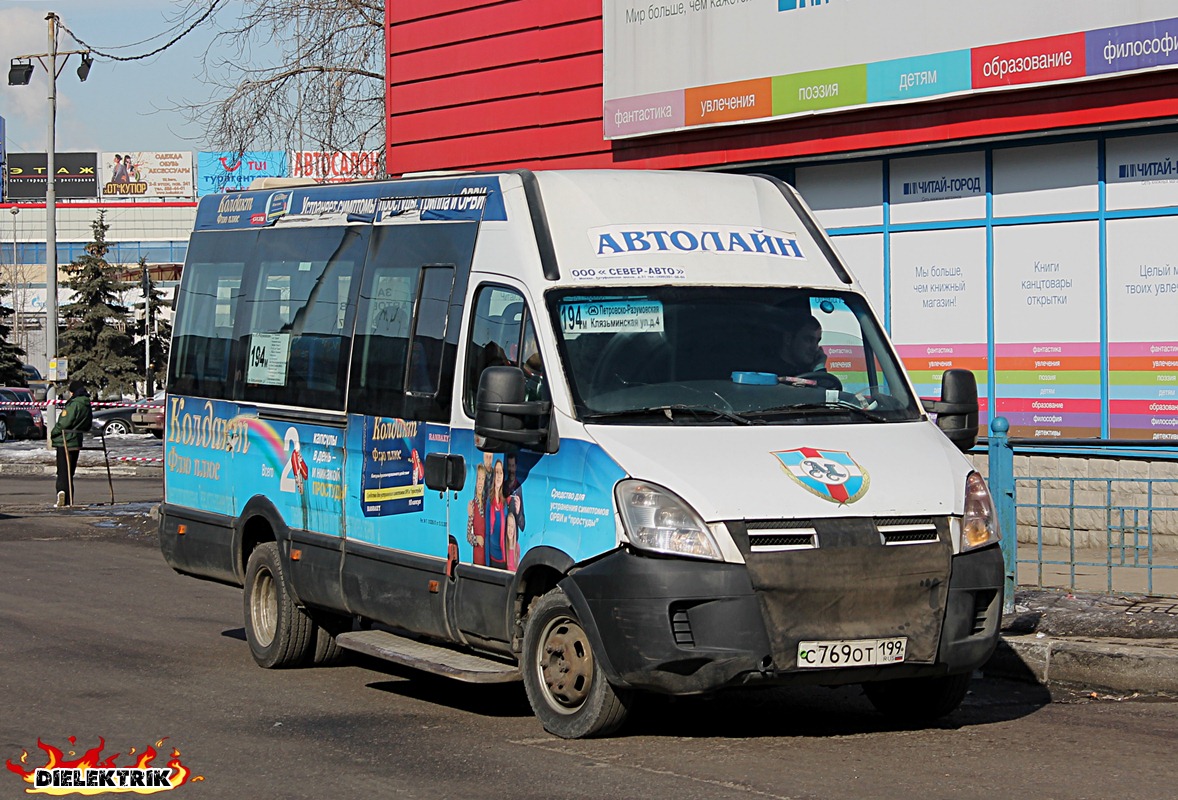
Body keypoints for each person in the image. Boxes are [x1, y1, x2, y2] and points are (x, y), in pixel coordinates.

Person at [50, 381, 93, 508]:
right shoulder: (86, 404)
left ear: (73, 392)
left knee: (62, 471)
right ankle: (69, 499)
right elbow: (88, 424)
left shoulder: (74, 404)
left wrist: (54, 432)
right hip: (76, 440)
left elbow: (63, 423)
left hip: (65, 440)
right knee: (70, 471)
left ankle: (62, 494)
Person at [774, 312, 841, 390]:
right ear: (788, 339)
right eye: (809, 340)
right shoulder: (770, 373)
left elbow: (825, 396)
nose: (815, 348)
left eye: (817, 341)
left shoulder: (809, 371)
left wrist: (819, 368)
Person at [466, 463, 487, 566]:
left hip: (488, 557)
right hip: (478, 558)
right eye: (479, 478)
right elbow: (468, 535)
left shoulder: (488, 504)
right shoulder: (472, 506)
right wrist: (477, 539)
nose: (480, 482)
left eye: (482, 479)